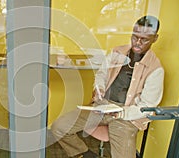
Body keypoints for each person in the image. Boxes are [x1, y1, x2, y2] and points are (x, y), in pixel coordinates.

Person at [51, 15, 164, 158]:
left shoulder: (155, 69)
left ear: (155, 38)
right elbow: (102, 74)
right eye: (135, 37)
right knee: (59, 128)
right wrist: (99, 88)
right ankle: (86, 155)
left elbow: (147, 107)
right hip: (102, 107)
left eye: (144, 39)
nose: (137, 42)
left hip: (127, 116)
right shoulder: (117, 52)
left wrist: (121, 113)